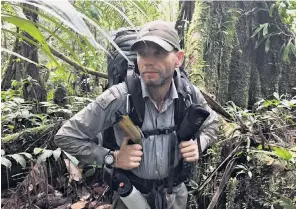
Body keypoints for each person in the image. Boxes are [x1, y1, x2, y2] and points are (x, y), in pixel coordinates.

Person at [54, 20, 219, 209]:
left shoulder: (188, 95)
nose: (148, 61)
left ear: (178, 59)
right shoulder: (119, 97)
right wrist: (112, 158)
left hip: (174, 196)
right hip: (131, 197)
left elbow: (212, 123)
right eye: (142, 53)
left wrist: (199, 144)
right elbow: (66, 136)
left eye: (159, 53)